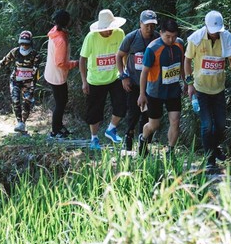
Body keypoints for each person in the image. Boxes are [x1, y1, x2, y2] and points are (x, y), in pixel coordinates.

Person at [184, 10, 231, 173]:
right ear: (206, 27)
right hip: (201, 88)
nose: (216, 35)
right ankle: (210, 160)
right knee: (207, 124)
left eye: (218, 32)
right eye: (213, 32)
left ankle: (214, 148)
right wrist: (189, 84)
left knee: (221, 123)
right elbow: (187, 60)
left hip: (218, 88)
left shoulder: (227, 37)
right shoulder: (196, 39)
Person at [80, 9, 127, 150]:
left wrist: (125, 73)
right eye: (107, 29)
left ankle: (111, 129)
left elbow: (123, 54)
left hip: (115, 77)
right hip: (95, 80)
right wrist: (84, 81)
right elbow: (82, 59)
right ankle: (94, 138)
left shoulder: (119, 33)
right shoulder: (91, 37)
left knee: (122, 105)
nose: (110, 31)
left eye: (111, 28)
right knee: (94, 111)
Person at [137, 19, 185, 157]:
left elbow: (181, 64)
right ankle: (143, 138)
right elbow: (144, 73)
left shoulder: (180, 44)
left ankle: (170, 151)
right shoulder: (152, 49)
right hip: (155, 92)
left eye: (174, 36)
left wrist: (186, 83)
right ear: (161, 33)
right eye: (167, 36)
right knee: (154, 125)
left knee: (175, 121)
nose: (171, 40)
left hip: (173, 91)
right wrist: (142, 94)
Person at [116, 9, 158, 151]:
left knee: (147, 114)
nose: (149, 28)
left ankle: (143, 143)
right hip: (133, 83)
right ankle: (128, 137)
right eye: (146, 25)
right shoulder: (131, 38)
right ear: (140, 23)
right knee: (133, 113)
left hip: (151, 84)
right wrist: (123, 76)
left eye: (152, 25)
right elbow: (119, 56)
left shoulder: (158, 39)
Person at [0, 30, 40, 134]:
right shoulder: (15, 52)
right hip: (15, 80)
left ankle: (23, 122)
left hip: (29, 82)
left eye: (26, 44)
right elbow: (4, 62)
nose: (24, 46)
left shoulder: (35, 55)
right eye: (22, 43)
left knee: (27, 102)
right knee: (15, 100)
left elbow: (35, 73)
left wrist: (32, 87)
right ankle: (19, 122)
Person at [45, 10, 77, 139]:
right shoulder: (61, 39)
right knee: (61, 103)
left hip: (52, 72)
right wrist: (75, 63)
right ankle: (55, 131)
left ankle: (59, 127)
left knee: (62, 101)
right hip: (57, 75)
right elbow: (60, 62)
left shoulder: (55, 31)